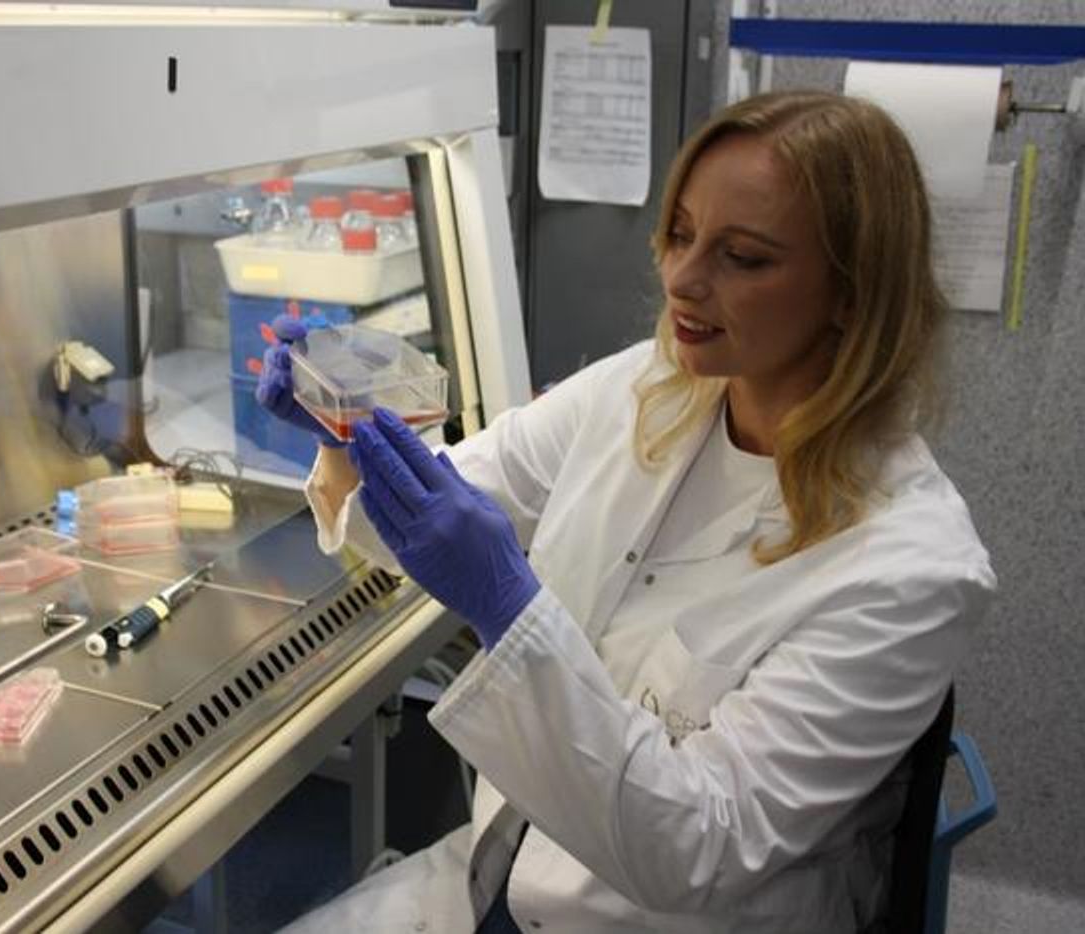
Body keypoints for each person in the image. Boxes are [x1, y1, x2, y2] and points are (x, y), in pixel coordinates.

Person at [255, 90, 996, 933]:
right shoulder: (645, 386)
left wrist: (509, 605)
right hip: (505, 864)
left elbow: (698, 850)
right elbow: (447, 506)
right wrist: (351, 429)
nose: (681, 278)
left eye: (743, 257)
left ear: (851, 294)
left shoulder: (911, 570)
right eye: (680, 234)